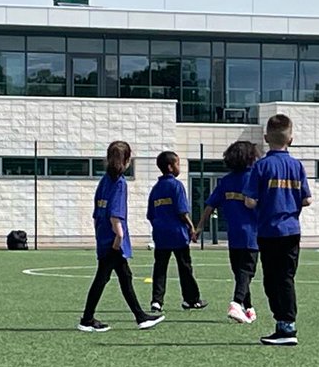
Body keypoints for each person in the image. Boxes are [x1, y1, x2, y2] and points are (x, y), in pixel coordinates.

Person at [79, 141, 164, 332]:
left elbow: (97, 212)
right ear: (126, 160)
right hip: (113, 240)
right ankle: (87, 319)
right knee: (104, 278)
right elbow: (115, 214)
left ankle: (140, 317)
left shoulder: (104, 181)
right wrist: (119, 236)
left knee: (123, 276)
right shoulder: (119, 183)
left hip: (103, 237)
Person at [243, 113, 312, 345]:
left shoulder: (261, 166)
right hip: (292, 230)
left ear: (265, 137)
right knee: (287, 278)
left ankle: (285, 328)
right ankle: (286, 325)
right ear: (290, 139)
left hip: (269, 231)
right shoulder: (297, 166)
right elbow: (307, 200)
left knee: (273, 280)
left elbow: (250, 201)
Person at [196, 139, 261, 324]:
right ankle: (236, 303)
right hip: (252, 235)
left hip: (233, 236)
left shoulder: (225, 181)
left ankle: (248, 308)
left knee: (240, 272)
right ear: (251, 158)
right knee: (247, 272)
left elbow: (209, 206)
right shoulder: (254, 179)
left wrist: (200, 226)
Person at [147, 151, 206, 312]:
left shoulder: (156, 189)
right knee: (185, 267)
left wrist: (159, 227)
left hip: (161, 236)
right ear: (170, 167)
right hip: (178, 234)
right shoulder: (176, 185)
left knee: (160, 268)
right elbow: (182, 211)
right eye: (178, 164)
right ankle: (191, 299)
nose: (179, 167)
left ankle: (156, 301)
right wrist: (191, 227)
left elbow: (150, 215)